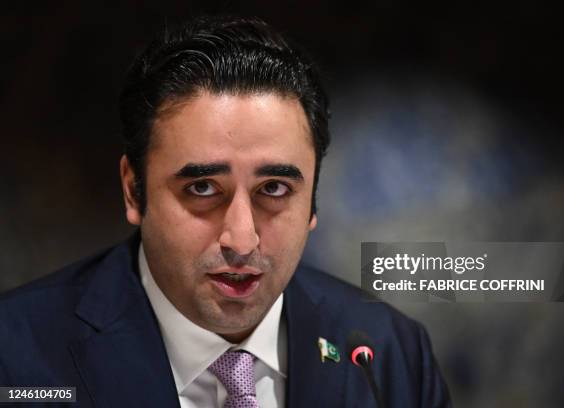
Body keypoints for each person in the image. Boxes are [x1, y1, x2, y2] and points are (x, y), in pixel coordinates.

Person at [0, 15, 451, 407]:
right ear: (134, 191)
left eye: (273, 188)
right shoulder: (15, 353)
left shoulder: (390, 352)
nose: (241, 240)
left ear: (313, 200)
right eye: (202, 188)